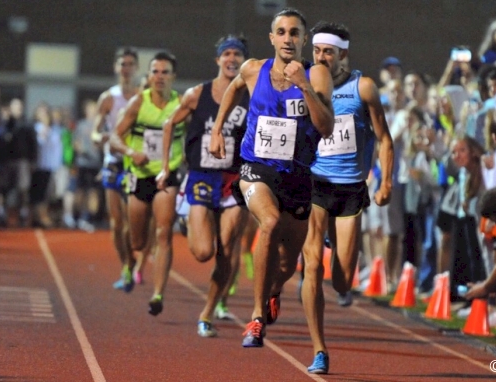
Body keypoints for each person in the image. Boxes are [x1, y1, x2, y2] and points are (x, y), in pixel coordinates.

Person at [208, 7, 334, 348]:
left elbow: (326, 127)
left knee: (287, 264)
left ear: (304, 39)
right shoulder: (253, 69)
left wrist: (304, 86)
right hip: (256, 168)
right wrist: (218, 130)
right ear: (272, 38)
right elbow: (233, 89)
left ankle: (274, 290)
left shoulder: (318, 74)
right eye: (282, 32)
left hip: (296, 175)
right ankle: (256, 316)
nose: (288, 39)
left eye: (295, 33)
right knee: (268, 223)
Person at [300, 21, 393, 374]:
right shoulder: (305, 83)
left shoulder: (363, 87)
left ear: (343, 54)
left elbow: (384, 138)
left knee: (340, 280)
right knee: (312, 265)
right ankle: (320, 350)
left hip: (351, 188)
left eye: (328, 52)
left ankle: (333, 260)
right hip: (316, 182)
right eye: (317, 51)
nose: (321, 58)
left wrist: (386, 183)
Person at [159, 35, 250, 337]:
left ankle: (207, 313)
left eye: (237, 54)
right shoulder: (198, 94)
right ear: (218, 60)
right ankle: (190, 223)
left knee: (226, 251)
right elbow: (170, 124)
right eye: (227, 54)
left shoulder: (250, 96)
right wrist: (165, 167)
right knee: (202, 252)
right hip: (200, 177)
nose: (232, 59)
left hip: (233, 180)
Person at [110, 51, 183, 315]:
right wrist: (131, 153)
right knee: (138, 241)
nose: (160, 77)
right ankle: (133, 261)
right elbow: (115, 137)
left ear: (173, 76)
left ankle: (157, 294)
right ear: (148, 75)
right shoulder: (138, 103)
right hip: (139, 174)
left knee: (164, 233)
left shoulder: (182, 104)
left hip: (167, 175)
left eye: (165, 72)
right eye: (155, 71)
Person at [92, 48, 140, 291]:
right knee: (116, 224)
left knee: (134, 223)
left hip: (134, 162)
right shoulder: (108, 98)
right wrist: (99, 137)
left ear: (136, 68)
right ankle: (126, 266)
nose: (126, 68)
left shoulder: (142, 96)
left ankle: (134, 261)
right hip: (113, 161)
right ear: (116, 67)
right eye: (123, 64)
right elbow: (94, 130)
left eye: (131, 64)